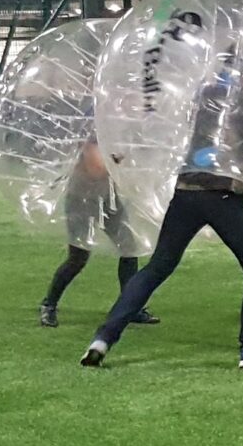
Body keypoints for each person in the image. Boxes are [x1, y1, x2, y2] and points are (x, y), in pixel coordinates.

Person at [80, 26, 243, 369]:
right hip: (224, 193)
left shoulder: (203, 93)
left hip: (186, 190)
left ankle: (104, 337)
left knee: (157, 267)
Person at [39, 138, 159, 328]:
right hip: (82, 200)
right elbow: (97, 168)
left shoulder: (117, 130)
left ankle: (130, 307)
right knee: (78, 257)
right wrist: (123, 158)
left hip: (108, 199)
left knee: (129, 250)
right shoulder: (92, 134)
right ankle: (49, 304)